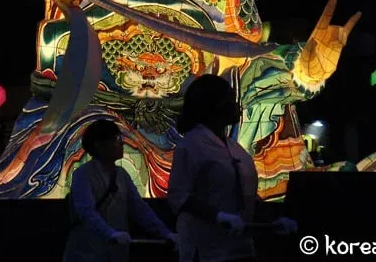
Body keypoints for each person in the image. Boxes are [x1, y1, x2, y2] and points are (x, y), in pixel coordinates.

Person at [167, 75, 298, 262]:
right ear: (215, 105)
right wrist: (219, 216)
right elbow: (179, 196)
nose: (237, 105)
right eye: (231, 100)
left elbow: (246, 194)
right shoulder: (191, 144)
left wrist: (273, 219)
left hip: (240, 247)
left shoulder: (235, 148)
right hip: (206, 249)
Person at [62, 119, 177, 262]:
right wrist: (110, 234)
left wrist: (165, 233)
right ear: (99, 145)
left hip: (116, 254)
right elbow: (85, 211)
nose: (122, 143)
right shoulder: (83, 174)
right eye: (116, 139)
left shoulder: (122, 175)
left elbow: (140, 209)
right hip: (87, 254)